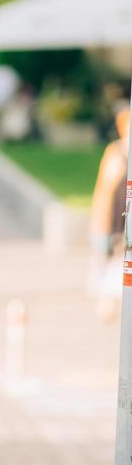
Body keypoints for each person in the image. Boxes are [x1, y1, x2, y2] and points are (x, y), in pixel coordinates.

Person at [88, 107, 129, 322]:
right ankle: (106, 304)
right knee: (107, 264)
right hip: (111, 223)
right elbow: (109, 191)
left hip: (119, 224)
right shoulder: (117, 153)